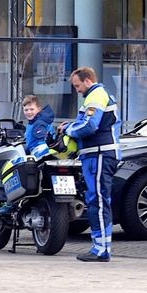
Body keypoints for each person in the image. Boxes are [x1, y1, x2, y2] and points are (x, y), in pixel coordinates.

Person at [60, 67, 119, 262]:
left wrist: (69, 129)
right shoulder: (95, 96)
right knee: (96, 200)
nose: (76, 90)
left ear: (87, 81)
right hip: (95, 155)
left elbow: (90, 125)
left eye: (77, 85)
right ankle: (100, 246)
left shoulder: (96, 96)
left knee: (99, 201)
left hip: (100, 154)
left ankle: (101, 249)